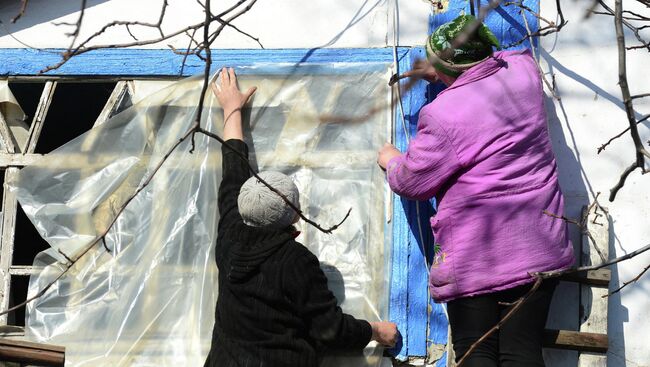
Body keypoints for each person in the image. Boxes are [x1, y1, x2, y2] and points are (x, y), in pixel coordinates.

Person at [377, 15, 574, 367]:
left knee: (475, 350)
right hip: (538, 241)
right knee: (522, 352)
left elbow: (413, 183)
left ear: (444, 68)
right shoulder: (524, 73)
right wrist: (449, 72)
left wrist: (393, 160)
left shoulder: (443, 114)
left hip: (479, 251)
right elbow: (501, 60)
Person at [204, 67, 398, 367]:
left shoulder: (231, 231)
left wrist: (231, 109)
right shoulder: (294, 260)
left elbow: (233, 166)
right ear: (294, 213)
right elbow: (329, 329)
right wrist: (375, 331)